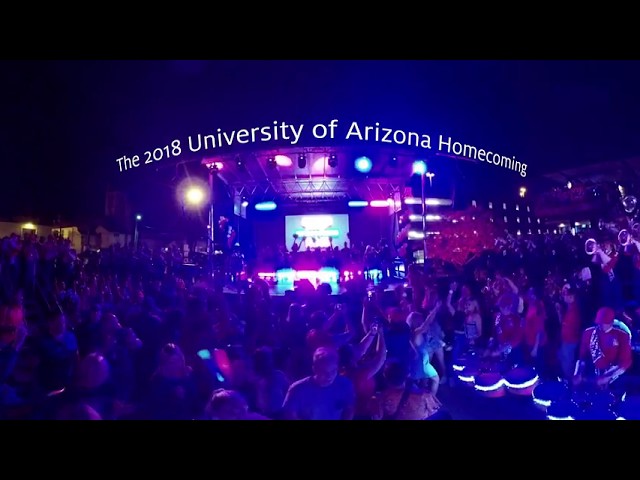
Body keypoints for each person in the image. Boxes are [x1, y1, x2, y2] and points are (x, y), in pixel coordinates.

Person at [282, 346, 355, 420]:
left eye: (333, 371)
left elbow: (349, 410)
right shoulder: (297, 389)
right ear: (314, 368)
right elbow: (289, 416)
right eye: (324, 372)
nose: (329, 376)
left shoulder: (345, 385)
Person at [573, 307, 633, 396]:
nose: (603, 326)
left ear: (612, 322)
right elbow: (582, 357)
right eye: (600, 323)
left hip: (614, 374)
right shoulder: (589, 333)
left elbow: (625, 362)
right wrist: (578, 373)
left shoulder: (622, 336)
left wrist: (607, 377)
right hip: (593, 373)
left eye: (606, 323)